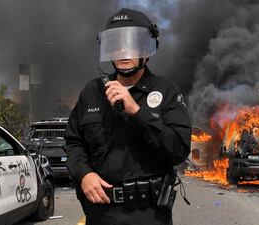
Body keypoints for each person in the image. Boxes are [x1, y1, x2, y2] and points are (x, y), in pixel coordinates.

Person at [64, 8, 191, 225]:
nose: (123, 51)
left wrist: (137, 112)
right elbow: (74, 142)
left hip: (149, 214)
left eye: (132, 45)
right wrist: (84, 174)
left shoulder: (167, 91)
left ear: (147, 50)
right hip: (100, 212)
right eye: (116, 45)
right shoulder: (92, 92)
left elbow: (178, 150)